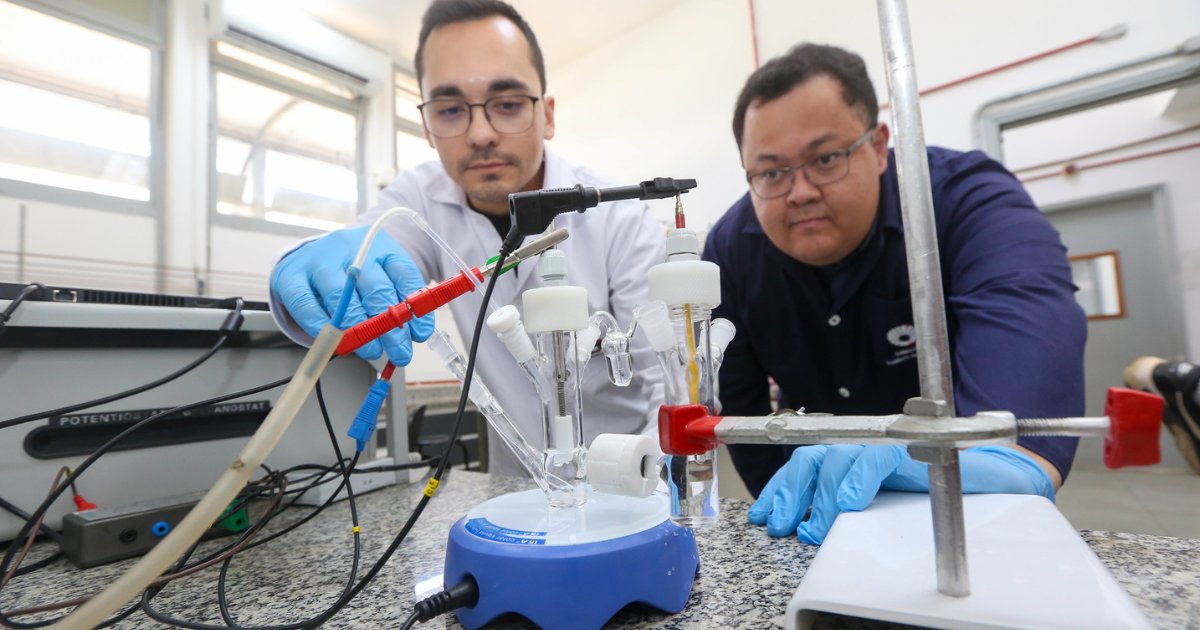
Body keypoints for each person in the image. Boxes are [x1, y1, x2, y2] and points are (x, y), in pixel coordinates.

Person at [703, 43, 1087, 544]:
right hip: (816, 514)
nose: (800, 192)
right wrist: (783, 507)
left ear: (879, 145)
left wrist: (970, 463)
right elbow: (739, 409)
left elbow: (1020, 428)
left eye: (825, 158)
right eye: (772, 172)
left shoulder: (968, 204)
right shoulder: (731, 249)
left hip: (966, 506)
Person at [269, 0, 665, 476]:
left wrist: (643, 492)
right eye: (451, 109)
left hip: (634, 485)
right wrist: (305, 267)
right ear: (427, 126)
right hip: (517, 494)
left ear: (548, 115)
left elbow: (673, 387)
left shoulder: (619, 218)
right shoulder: (419, 198)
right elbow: (368, 244)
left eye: (509, 104)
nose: (480, 134)